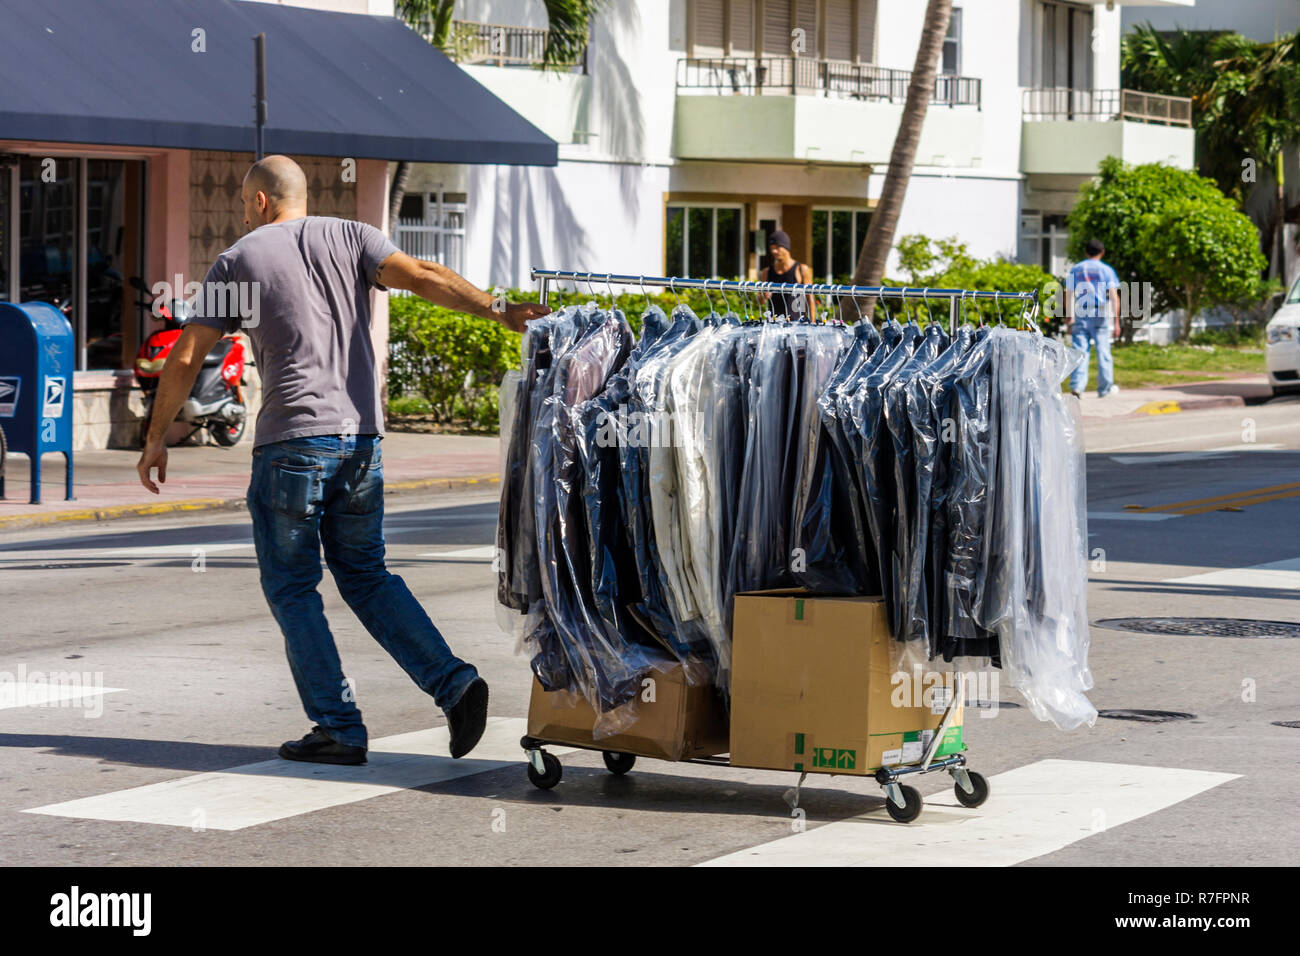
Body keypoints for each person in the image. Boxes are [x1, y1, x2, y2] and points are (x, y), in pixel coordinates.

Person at [135, 155, 550, 766]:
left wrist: (154, 436)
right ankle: (454, 683)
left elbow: (187, 353)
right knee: (365, 575)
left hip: (291, 446)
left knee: (293, 588)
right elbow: (424, 275)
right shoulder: (356, 237)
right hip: (361, 443)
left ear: (257, 202)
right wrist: (500, 310)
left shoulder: (241, 259)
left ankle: (338, 725)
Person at [1065, 238, 1122, 398]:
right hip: (1100, 312)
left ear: (1086, 252)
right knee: (1103, 351)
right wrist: (1116, 322)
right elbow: (1113, 296)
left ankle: (1077, 387)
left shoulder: (1076, 269)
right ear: (1102, 252)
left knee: (1080, 351)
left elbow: (1068, 293)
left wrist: (1068, 315)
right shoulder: (1107, 270)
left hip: (1081, 312)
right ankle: (1105, 388)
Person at [762, 229, 816, 320]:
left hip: (797, 324)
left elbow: (810, 299)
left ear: (786, 247)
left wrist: (813, 323)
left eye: (777, 247)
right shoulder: (766, 272)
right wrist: (764, 296)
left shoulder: (801, 269)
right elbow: (761, 301)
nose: (774, 251)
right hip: (775, 325)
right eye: (772, 248)